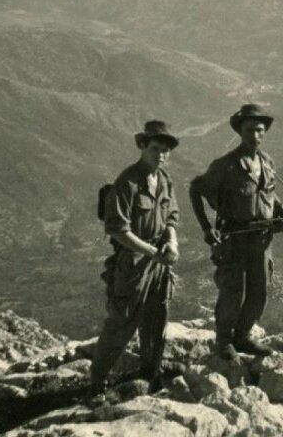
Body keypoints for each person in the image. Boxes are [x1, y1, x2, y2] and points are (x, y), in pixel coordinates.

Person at [189, 104, 283, 360]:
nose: (255, 135)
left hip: (262, 240)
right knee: (233, 292)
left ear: (265, 133)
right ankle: (224, 341)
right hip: (235, 240)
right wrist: (207, 229)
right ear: (240, 131)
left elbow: (269, 197)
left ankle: (243, 336)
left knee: (259, 291)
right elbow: (196, 188)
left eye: (260, 130)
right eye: (249, 129)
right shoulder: (226, 165)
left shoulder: (267, 162)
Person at [89, 120, 180, 394]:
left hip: (158, 263)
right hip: (133, 263)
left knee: (156, 317)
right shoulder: (127, 182)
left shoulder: (164, 181)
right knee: (121, 322)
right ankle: (97, 381)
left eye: (165, 150)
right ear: (142, 146)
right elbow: (117, 230)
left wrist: (172, 242)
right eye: (155, 148)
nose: (160, 154)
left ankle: (150, 373)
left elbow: (172, 217)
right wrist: (152, 252)